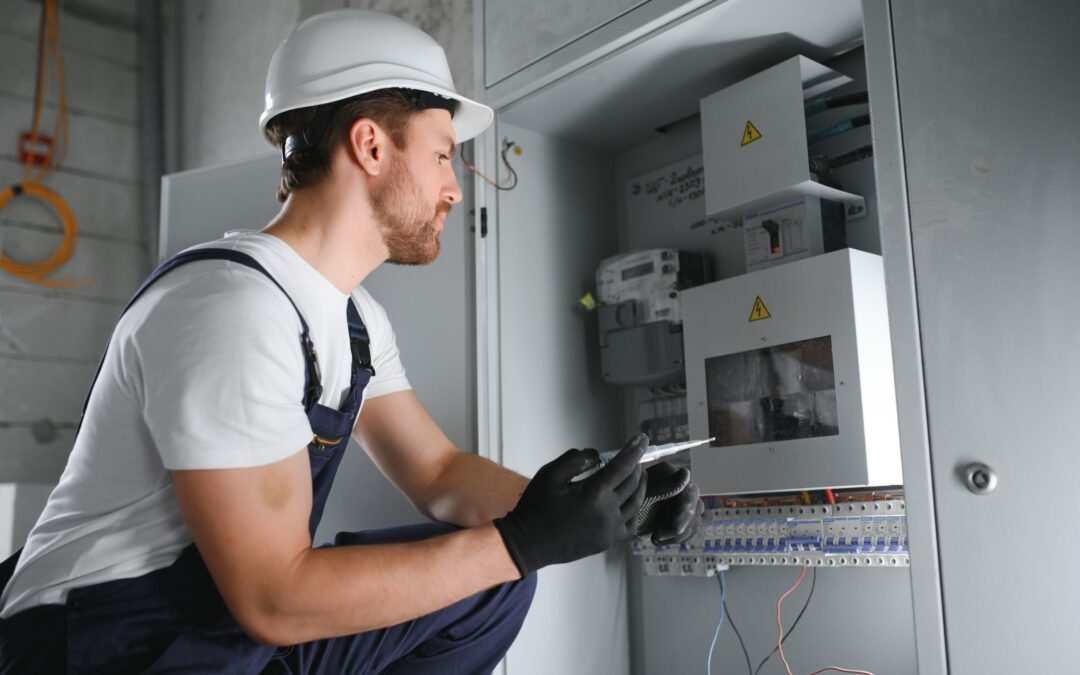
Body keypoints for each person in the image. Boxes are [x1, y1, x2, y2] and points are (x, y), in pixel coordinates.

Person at [0, 9, 702, 674]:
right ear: (370, 145)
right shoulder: (233, 310)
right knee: (500, 561)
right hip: (100, 648)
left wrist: (600, 509)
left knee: (491, 582)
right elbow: (274, 595)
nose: (453, 189)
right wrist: (524, 539)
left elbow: (438, 475)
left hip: (218, 633)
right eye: (441, 156)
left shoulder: (352, 319)